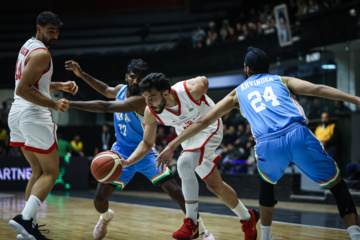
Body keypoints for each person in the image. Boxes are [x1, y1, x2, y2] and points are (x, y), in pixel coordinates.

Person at [156, 46, 360, 240]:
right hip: (297, 134)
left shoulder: (237, 92)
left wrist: (172, 145)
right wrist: (356, 100)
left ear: (247, 69)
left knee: (267, 186)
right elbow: (317, 88)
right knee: (338, 186)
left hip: (267, 144)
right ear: (267, 68)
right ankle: (355, 235)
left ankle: (266, 236)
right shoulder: (281, 79)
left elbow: (203, 121)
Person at [65, 59, 215, 240]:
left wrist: (71, 104)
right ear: (126, 76)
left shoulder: (141, 102)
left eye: (141, 78)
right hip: (120, 152)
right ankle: (105, 217)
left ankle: (202, 230)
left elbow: (105, 106)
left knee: (176, 192)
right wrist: (82, 75)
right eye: (133, 77)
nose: (136, 82)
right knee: (99, 200)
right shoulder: (120, 90)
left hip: (144, 153)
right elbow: (105, 89)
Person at [121, 72, 259, 240]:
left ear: (166, 92)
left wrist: (172, 145)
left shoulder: (190, 91)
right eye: (145, 99)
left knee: (184, 164)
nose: (148, 103)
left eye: (152, 98)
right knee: (215, 186)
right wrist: (128, 161)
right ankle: (248, 218)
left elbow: (204, 80)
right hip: (188, 139)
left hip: (210, 128)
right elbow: (146, 143)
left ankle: (191, 223)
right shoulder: (151, 111)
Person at [7, 11, 78, 240]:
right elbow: (23, 89)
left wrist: (60, 85)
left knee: (37, 171)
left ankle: (28, 230)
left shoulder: (27, 46)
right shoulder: (43, 54)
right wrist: (54, 103)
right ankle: (25, 220)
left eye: (57, 31)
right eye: (50, 30)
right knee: (51, 171)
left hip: (17, 114)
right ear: (39, 28)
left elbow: (33, 82)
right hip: (33, 113)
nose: (54, 35)